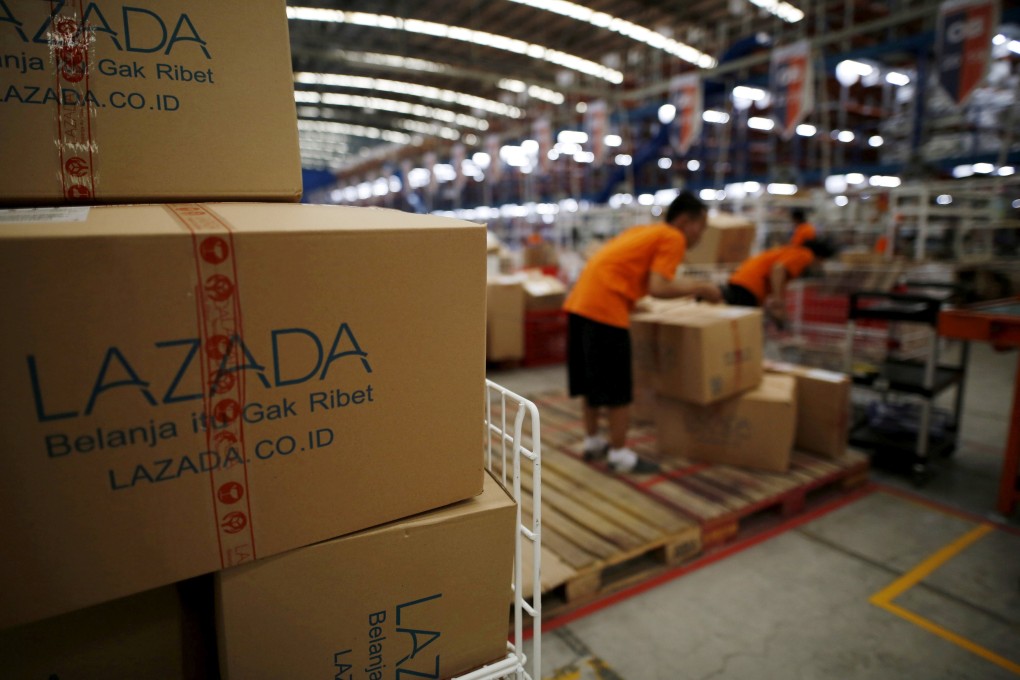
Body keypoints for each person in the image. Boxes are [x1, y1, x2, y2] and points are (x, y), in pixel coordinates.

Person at [563, 191, 722, 473]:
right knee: (617, 388)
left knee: (592, 382)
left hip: (580, 304)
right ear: (685, 221)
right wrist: (703, 288)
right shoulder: (673, 237)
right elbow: (660, 286)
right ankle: (620, 454)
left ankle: (592, 441)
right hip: (605, 310)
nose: (702, 233)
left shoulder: (644, 231)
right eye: (702, 226)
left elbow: (620, 269)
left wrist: (632, 304)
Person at [721, 239, 836, 323]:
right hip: (748, 286)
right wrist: (778, 301)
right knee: (744, 328)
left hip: (742, 282)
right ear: (820, 258)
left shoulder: (791, 251)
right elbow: (778, 268)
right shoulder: (805, 255)